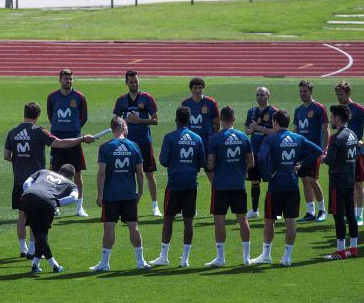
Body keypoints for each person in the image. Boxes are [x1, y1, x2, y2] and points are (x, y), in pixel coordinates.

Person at [4, 102, 91, 258]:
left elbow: (6, 156)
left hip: (19, 180)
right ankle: (32, 249)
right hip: (37, 184)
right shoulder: (39, 132)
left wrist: (20, 161)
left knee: (22, 216)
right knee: (34, 217)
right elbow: (59, 143)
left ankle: (22, 248)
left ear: (24, 113)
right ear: (38, 116)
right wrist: (82, 139)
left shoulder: (13, 132)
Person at [249, 111, 322, 266]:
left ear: (275, 122)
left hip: (275, 186)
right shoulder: (298, 138)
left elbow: (261, 157)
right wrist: (302, 164)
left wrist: (268, 175)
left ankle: (266, 255)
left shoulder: (271, 139)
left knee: (269, 220)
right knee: (290, 221)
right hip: (292, 185)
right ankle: (287, 257)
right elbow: (318, 151)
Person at [90, 117, 150, 271]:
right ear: (124, 127)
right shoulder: (134, 146)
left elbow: (101, 173)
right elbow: (140, 173)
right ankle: (140, 261)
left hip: (111, 195)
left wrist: (100, 194)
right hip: (129, 194)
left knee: (109, 228)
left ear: (112, 128)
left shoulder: (105, 147)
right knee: (133, 227)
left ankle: (104, 263)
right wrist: (141, 192)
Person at [148, 107, 205, 268]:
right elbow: (202, 162)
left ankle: (164, 256)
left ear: (176, 119)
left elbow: (163, 161)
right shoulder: (197, 138)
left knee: (168, 220)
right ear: (190, 120)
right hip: (191, 184)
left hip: (174, 185)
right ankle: (185, 259)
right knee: (188, 221)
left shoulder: (170, 138)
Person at [205, 106, 254, 266]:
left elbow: (211, 163)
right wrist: (241, 170)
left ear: (220, 119)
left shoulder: (215, 138)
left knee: (219, 220)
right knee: (242, 219)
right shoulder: (243, 138)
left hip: (220, 186)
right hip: (238, 185)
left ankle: (221, 258)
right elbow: (251, 162)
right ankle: (246, 258)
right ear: (234, 119)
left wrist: (214, 168)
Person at [112, 70, 161, 216]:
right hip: (127, 144)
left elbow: (155, 120)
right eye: (131, 82)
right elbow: (115, 122)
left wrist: (140, 121)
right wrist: (126, 121)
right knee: (127, 174)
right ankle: (129, 206)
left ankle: (155, 206)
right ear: (126, 83)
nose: (134, 84)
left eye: (136, 81)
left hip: (144, 142)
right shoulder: (121, 100)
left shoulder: (147, 98)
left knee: (149, 174)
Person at [334, 81, 364, 226]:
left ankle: (359, 215)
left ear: (348, 93)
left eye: (341, 94)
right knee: (347, 184)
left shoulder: (358, 108)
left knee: (357, 184)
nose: (339, 97)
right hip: (342, 153)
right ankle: (350, 213)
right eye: (337, 94)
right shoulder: (338, 110)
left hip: (356, 152)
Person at [46, 68, 89, 217]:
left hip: (74, 141)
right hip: (57, 142)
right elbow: (51, 116)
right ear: (59, 79)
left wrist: (73, 130)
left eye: (70, 78)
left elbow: (83, 118)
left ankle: (79, 207)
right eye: (65, 78)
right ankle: (54, 205)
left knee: (77, 174)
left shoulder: (79, 97)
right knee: (54, 174)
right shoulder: (52, 97)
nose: (68, 81)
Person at [22, 165, 79, 273]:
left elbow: (26, 184)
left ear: (59, 171)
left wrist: (30, 192)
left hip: (28, 196)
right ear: (71, 177)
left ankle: (35, 264)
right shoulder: (71, 184)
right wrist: (57, 203)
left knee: (40, 234)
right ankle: (54, 264)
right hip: (47, 201)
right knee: (41, 234)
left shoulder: (43, 171)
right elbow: (73, 198)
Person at [322, 105, 360, 260]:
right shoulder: (353, 135)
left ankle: (340, 251)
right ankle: (354, 248)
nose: (331, 119)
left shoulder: (336, 137)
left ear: (337, 118)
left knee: (338, 215)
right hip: (350, 179)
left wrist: (322, 158)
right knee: (351, 214)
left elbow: (330, 160)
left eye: (332, 117)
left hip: (338, 181)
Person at [293, 80, 329, 222]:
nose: (302, 94)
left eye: (305, 91)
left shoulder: (319, 108)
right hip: (301, 151)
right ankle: (310, 212)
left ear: (311, 92)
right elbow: (295, 130)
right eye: (301, 91)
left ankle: (322, 210)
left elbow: (326, 129)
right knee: (304, 180)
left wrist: (325, 148)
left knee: (312, 180)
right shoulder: (298, 110)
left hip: (314, 150)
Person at [244, 86, 277, 218]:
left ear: (268, 96)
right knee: (254, 180)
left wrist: (258, 128)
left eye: (262, 95)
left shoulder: (274, 112)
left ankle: (274, 209)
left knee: (272, 180)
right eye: (258, 95)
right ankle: (255, 209)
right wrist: (251, 130)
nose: (259, 97)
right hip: (254, 151)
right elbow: (247, 130)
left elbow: (275, 131)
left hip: (269, 152)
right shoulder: (251, 111)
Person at [180, 77, 219, 181]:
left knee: (211, 172)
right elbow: (182, 122)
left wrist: (213, 138)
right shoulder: (185, 104)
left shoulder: (211, 103)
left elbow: (216, 123)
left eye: (200, 88)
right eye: (195, 88)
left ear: (203, 89)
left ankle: (216, 194)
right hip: (191, 143)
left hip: (207, 143)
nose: (198, 90)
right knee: (191, 172)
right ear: (190, 89)